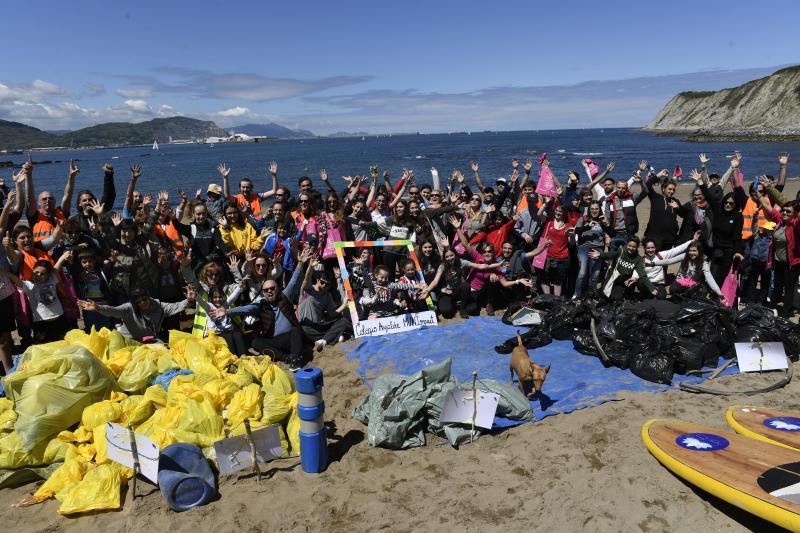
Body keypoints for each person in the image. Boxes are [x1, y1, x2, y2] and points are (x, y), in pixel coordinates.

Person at [217, 247, 314, 370]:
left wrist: (300, 263)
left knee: (296, 330)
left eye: (272, 289)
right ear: (263, 292)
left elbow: (294, 281)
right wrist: (227, 311)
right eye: (266, 290)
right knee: (256, 343)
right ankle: (286, 358)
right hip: (274, 340)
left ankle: (295, 359)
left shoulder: (285, 296)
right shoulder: (261, 305)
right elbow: (245, 309)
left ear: (277, 288)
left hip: (290, 337)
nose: (269, 291)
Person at [1, 254, 74, 343]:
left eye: (43, 274)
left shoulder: (52, 279)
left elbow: (57, 266)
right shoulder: (29, 286)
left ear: (48, 275)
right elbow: (14, 278)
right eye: (36, 272)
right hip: (41, 324)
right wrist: (4, 273)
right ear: (32, 271)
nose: (39, 275)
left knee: (64, 343)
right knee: (44, 347)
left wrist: (65, 255)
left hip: (60, 319)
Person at [78, 287, 193, 342]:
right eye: (138, 301)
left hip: (150, 340)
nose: (143, 302)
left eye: (144, 298)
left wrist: (188, 300)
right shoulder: (128, 308)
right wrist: (98, 307)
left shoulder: (158, 306)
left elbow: (176, 306)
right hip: (128, 340)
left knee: (162, 350)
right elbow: (113, 310)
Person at [647, 241, 725, 303]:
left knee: (696, 295)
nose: (691, 253)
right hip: (681, 282)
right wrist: (653, 263)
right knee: (672, 289)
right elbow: (669, 261)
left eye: (694, 251)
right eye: (690, 250)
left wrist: (719, 292)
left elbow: (709, 278)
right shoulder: (685, 256)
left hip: (694, 285)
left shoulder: (704, 263)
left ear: (699, 251)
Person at [297, 265, 352, 352]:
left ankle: (323, 341)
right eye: (322, 282)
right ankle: (331, 338)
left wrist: (344, 305)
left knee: (344, 321)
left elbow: (332, 313)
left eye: (327, 284)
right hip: (306, 327)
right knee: (338, 335)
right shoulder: (308, 290)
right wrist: (310, 266)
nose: (324, 285)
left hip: (319, 327)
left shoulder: (327, 295)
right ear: (318, 280)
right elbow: (306, 279)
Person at [590, 236, 658, 300]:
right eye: (629, 246)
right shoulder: (621, 251)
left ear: (637, 247)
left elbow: (642, 274)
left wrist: (651, 287)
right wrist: (600, 254)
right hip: (615, 279)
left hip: (626, 283)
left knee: (618, 298)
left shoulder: (638, 259)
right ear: (627, 245)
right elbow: (612, 254)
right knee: (607, 296)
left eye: (634, 247)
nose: (631, 248)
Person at [26, 157, 75, 243]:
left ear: (55, 201)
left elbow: (68, 195)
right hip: (42, 253)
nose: (47, 200)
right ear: (38, 203)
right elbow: (30, 197)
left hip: (62, 252)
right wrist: (29, 175)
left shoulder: (62, 213)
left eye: (50, 198)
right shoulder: (34, 216)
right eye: (44, 199)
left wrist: (71, 177)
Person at [574, 201, 612, 297]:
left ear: (599, 210)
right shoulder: (584, 218)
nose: (594, 211)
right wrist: (588, 226)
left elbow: (612, 233)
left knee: (595, 274)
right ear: (589, 210)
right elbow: (576, 230)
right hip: (584, 248)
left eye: (596, 209)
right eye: (592, 209)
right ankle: (576, 294)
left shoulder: (602, 220)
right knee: (582, 273)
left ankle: (592, 295)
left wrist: (606, 224)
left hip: (598, 249)